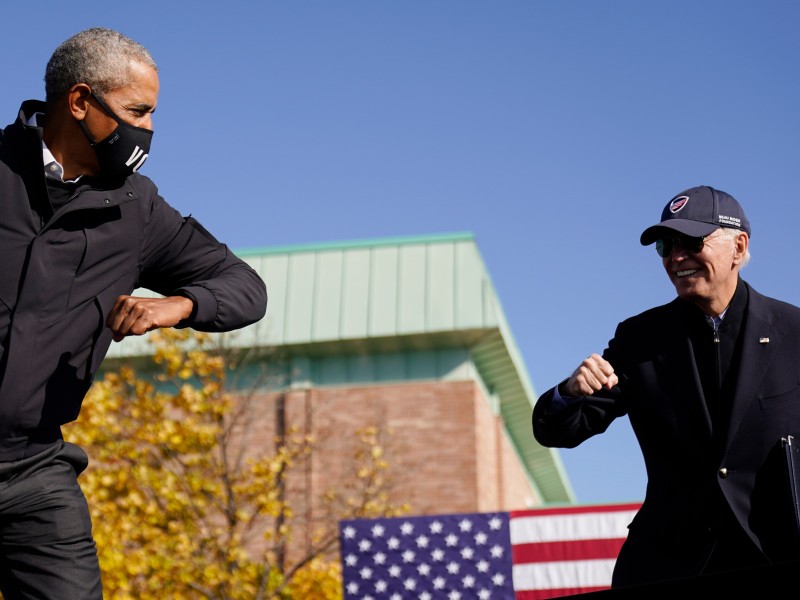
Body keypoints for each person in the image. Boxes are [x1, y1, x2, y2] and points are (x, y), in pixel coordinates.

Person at [0, 28, 267, 598]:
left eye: (151, 114)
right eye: (137, 111)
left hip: (33, 473)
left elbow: (245, 286)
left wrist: (179, 304)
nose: (147, 128)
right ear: (80, 102)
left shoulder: (136, 209)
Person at [533, 185, 800, 587]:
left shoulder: (794, 334)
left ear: (739, 248)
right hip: (669, 565)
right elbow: (558, 431)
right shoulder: (640, 340)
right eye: (666, 246)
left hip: (775, 554)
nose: (677, 258)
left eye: (692, 242)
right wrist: (569, 394)